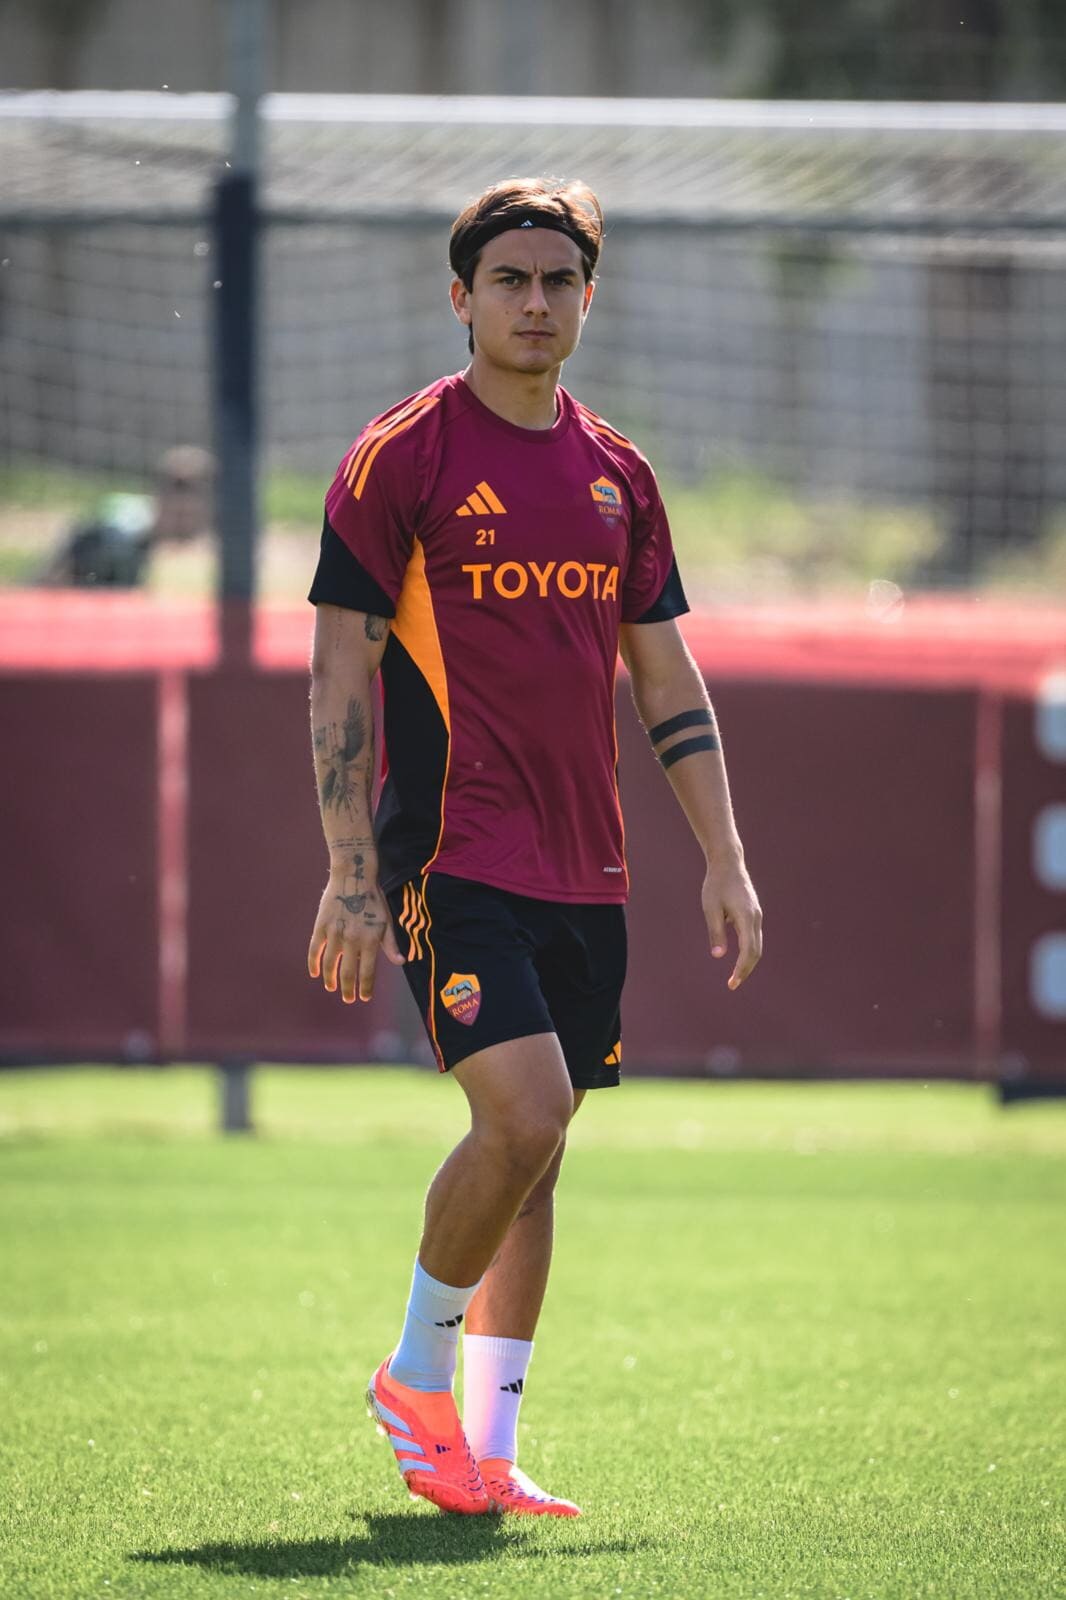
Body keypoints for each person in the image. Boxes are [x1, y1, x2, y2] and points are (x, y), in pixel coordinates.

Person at [306, 178, 763, 1517]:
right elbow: (338, 670)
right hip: (450, 853)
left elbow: (665, 676)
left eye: (558, 280)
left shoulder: (619, 474)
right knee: (525, 1113)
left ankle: (490, 1450)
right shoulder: (403, 454)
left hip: (587, 865)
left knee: (540, 1157)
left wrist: (724, 855)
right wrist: (349, 870)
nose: (534, 301)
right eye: (508, 280)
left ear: (586, 298)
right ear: (461, 299)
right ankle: (412, 1379)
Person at [35, 446, 214, 588]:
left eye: (192, 491)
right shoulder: (109, 542)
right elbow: (43, 587)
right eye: (173, 488)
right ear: (157, 494)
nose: (182, 503)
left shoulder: (217, 558)